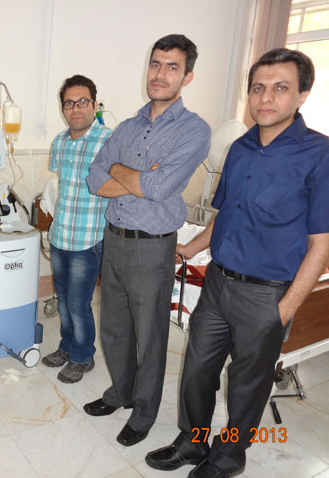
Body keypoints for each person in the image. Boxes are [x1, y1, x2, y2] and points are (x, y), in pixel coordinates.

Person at [146, 48, 329, 478]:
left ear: (302, 94)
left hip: (268, 294)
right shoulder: (239, 148)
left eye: (280, 88)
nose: (266, 97)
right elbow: (226, 213)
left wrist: (283, 310)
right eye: (258, 88)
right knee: (197, 370)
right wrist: (190, 248)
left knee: (247, 385)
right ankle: (193, 441)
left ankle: (228, 458)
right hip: (217, 284)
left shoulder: (319, 155)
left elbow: (321, 246)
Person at [85, 34, 210, 447]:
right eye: (156, 64)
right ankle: (120, 393)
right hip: (114, 239)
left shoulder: (194, 131)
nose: (160, 74)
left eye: (172, 67)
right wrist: (135, 176)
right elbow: (94, 178)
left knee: (150, 336)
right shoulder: (127, 126)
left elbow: (158, 188)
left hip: (152, 246)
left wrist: (120, 171)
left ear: (187, 77)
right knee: (114, 328)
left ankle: (143, 412)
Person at [40, 75, 112, 384]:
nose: (76, 108)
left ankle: (83, 356)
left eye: (83, 102)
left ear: (94, 105)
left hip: (89, 238)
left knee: (79, 304)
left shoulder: (109, 141)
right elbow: (62, 185)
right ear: (63, 109)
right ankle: (67, 346)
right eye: (69, 103)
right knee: (64, 300)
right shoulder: (59, 142)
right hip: (60, 235)